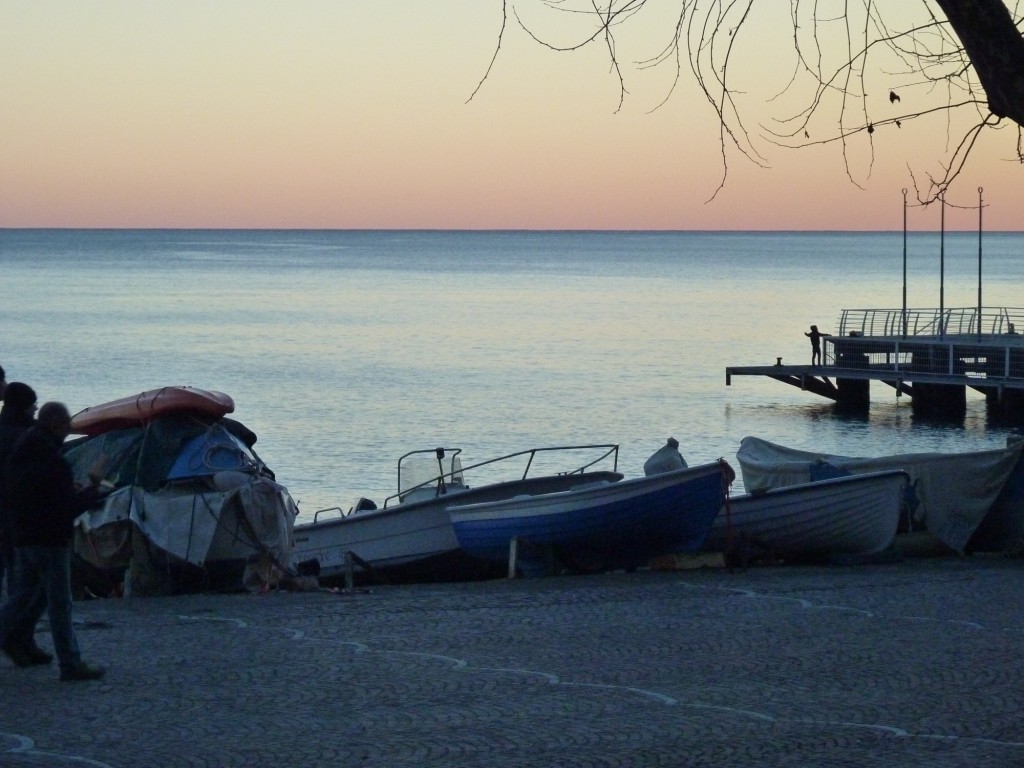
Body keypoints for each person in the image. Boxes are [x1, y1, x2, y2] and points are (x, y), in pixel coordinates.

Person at [0, 402, 106, 681]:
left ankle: (14, 639)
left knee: (23, 597)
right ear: (56, 424)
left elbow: (36, 493)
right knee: (59, 602)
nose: (68, 431)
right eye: (66, 426)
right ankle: (70, 664)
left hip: (23, 535)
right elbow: (65, 508)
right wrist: (93, 491)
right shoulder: (51, 459)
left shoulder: (23, 453)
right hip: (50, 539)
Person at [0, 383, 43, 640]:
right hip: (21, 517)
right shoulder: (28, 435)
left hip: (6, 515)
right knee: (27, 584)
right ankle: (16, 637)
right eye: (33, 404)